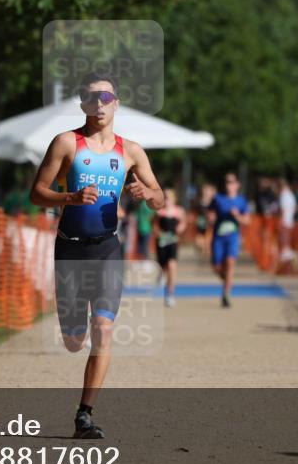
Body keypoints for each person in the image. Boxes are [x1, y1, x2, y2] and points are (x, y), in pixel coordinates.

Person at [29, 72, 165, 439]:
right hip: (70, 248)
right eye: (92, 98)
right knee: (74, 341)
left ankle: (84, 415)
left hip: (107, 248)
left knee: (103, 329)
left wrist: (147, 194)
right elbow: (37, 193)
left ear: (116, 104)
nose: (99, 104)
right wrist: (70, 198)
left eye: (106, 97)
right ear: (83, 105)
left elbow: (160, 198)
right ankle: (76, 336)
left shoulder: (131, 151)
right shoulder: (66, 143)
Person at [208, 172, 250, 308]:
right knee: (217, 267)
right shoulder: (218, 199)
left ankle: (226, 294)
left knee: (230, 263)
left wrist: (237, 216)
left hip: (233, 238)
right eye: (227, 182)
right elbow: (210, 213)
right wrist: (211, 218)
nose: (229, 185)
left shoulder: (242, 201)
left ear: (237, 184)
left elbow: (247, 220)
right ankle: (228, 281)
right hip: (218, 238)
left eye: (231, 182)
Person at [153, 188, 187, 307]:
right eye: (165, 197)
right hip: (162, 242)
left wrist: (181, 228)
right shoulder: (159, 211)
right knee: (163, 268)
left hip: (173, 241)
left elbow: (183, 222)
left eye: (168, 197)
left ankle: (170, 294)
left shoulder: (179, 211)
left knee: (172, 266)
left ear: (173, 198)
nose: (167, 199)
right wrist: (158, 233)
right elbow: (154, 225)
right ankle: (160, 281)